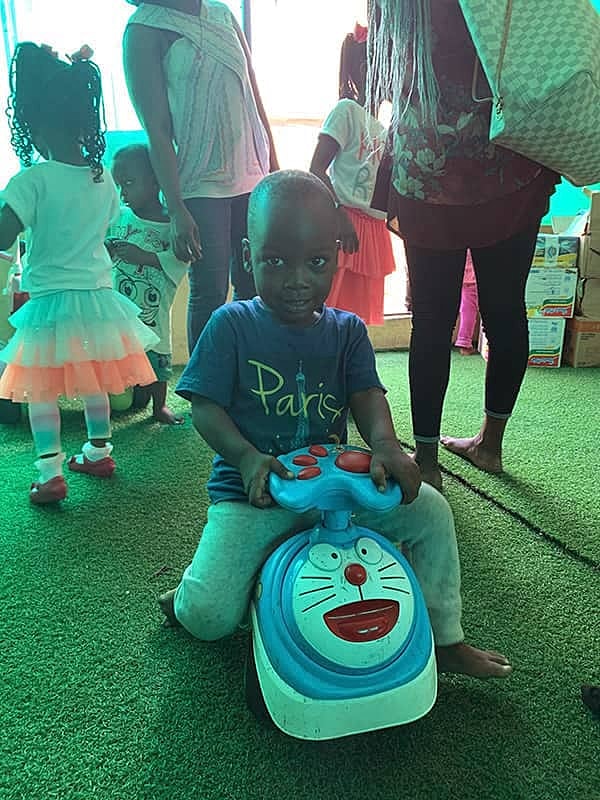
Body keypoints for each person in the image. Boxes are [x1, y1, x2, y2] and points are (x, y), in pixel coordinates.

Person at [158, 169, 512, 680]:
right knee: (211, 619)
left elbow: (366, 395)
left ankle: (446, 637)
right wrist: (245, 456)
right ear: (246, 256)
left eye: (316, 262)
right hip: (251, 495)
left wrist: (387, 445)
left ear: (338, 254)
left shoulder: (347, 332)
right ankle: (191, 593)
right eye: (275, 262)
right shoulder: (230, 325)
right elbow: (205, 406)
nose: (297, 279)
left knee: (432, 511)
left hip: (340, 496)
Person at [368, 0, 560, 489]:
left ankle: (427, 462)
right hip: (507, 155)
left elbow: (393, 61)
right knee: (505, 308)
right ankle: (489, 447)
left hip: (430, 159)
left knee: (432, 318)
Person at [0, 42, 158, 504]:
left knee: (40, 389)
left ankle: (50, 472)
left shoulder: (32, 179)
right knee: (94, 379)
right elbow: (104, 224)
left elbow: (3, 234)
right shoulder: (101, 177)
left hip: (49, 300)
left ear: (33, 120)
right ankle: (98, 450)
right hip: (96, 296)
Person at [122, 0, 279, 354]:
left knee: (253, 284)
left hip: (253, 176)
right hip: (199, 182)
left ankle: (250, 378)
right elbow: (157, 130)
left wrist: (276, 176)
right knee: (210, 290)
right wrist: (176, 208)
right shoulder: (144, 29)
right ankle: (205, 397)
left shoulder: (222, 13)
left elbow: (253, 97)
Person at [309, 24, 395, 326]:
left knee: (356, 321)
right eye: (390, 67)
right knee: (325, 313)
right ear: (365, 68)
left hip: (373, 230)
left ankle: (348, 371)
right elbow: (316, 170)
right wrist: (338, 214)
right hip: (343, 223)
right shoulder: (345, 111)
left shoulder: (383, 129)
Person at [107, 144, 188, 424]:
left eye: (129, 183)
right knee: (118, 362)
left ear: (156, 180)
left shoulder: (171, 224)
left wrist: (145, 257)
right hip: (119, 309)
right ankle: (120, 395)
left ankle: (159, 407)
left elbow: (181, 259)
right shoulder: (120, 217)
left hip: (152, 309)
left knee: (157, 357)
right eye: (119, 185)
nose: (123, 192)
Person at [454, 250, 479, 355]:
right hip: (474, 276)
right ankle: (464, 341)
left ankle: (464, 340)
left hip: (463, 274)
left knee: (466, 309)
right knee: (469, 310)